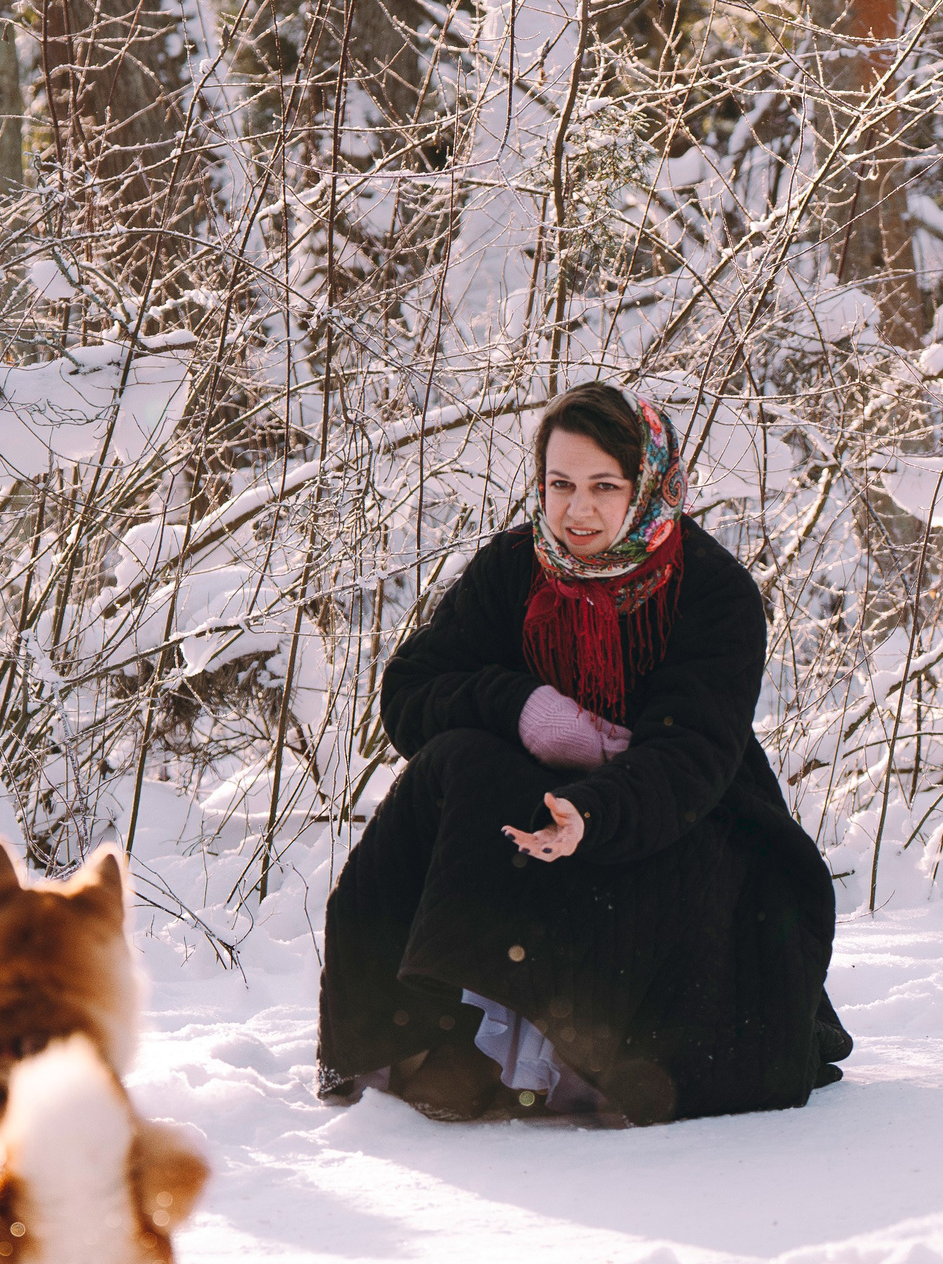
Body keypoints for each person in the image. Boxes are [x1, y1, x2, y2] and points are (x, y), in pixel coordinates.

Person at [316, 381, 851, 1124]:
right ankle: (446, 1036)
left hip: (686, 810)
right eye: (560, 485)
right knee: (459, 766)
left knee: (653, 855)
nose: (577, 511)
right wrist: (524, 709)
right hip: (534, 805)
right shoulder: (515, 567)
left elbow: (693, 752)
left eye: (605, 487)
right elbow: (413, 691)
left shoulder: (714, 591)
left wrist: (592, 812)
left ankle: (588, 1059)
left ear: (649, 487)